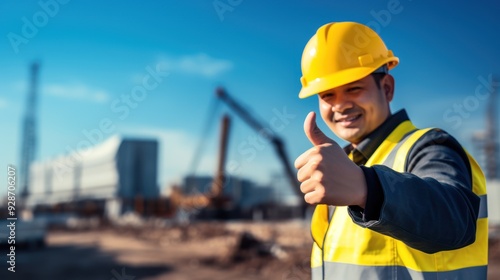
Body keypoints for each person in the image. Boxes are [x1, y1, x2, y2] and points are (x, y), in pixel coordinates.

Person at [294, 21, 488, 279]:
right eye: (327, 95)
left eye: (354, 88)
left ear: (386, 88)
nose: (340, 105)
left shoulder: (429, 147)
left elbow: (454, 220)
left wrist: (367, 189)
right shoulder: (341, 168)